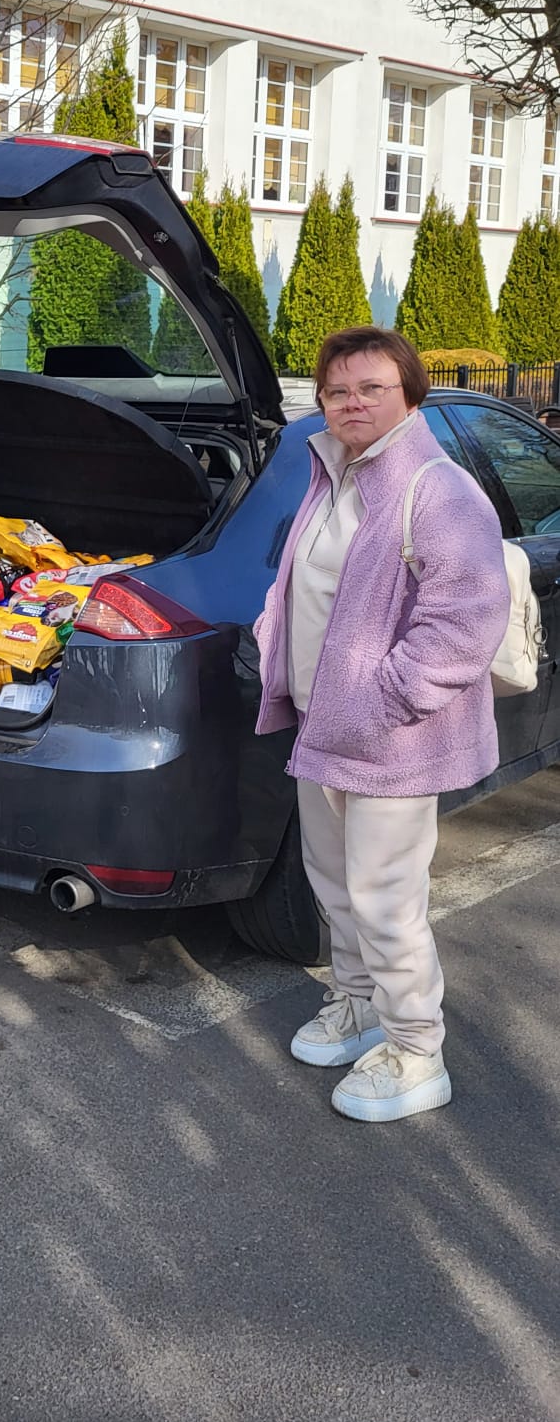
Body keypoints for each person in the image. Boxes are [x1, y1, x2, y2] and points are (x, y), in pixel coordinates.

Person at [254, 327, 509, 1124]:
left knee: (386, 900)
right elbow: (306, 586)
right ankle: (360, 1005)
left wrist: (380, 703)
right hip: (322, 730)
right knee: (336, 889)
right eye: (337, 391)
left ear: (409, 394)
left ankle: (416, 1052)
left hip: (392, 739)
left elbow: (464, 622)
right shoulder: (334, 476)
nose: (352, 403)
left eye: (371, 388)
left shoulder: (438, 490)